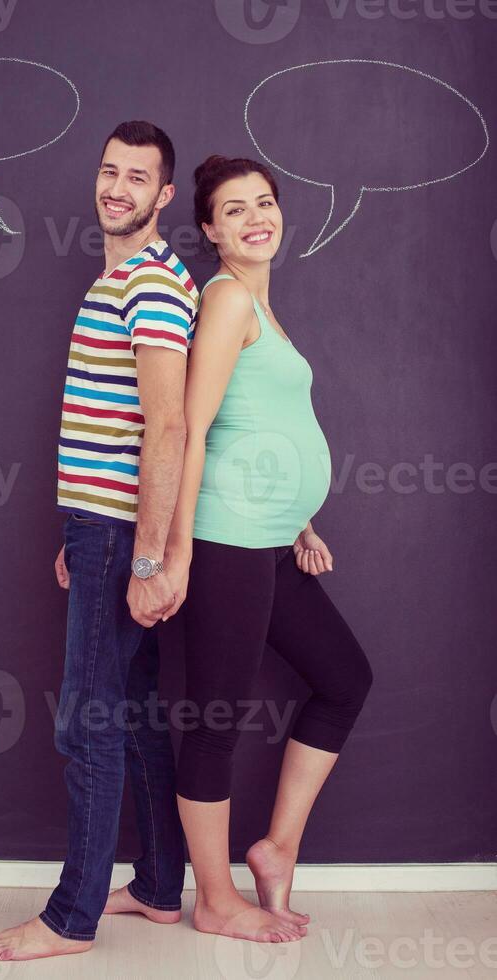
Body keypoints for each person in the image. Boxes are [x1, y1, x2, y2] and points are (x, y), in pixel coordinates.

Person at [0, 120, 199, 962]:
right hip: (100, 525)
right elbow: (120, 427)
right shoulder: (122, 279)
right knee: (134, 711)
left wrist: (141, 557)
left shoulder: (148, 283)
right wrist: (87, 528)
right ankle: (157, 886)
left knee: (90, 722)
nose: (117, 188)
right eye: (109, 172)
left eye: (137, 178)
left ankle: (70, 917)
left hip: (119, 535)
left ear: (164, 196)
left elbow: (168, 426)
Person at [161, 154, 374, 944]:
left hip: (269, 541)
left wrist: (300, 518)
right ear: (211, 230)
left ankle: (275, 849)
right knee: (217, 719)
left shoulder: (260, 304)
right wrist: (176, 550)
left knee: (344, 679)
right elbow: (188, 425)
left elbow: (255, 429)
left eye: (265, 203)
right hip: (223, 541)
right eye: (234, 209)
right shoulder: (224, 300)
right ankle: (215, 900)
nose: (256, 217)